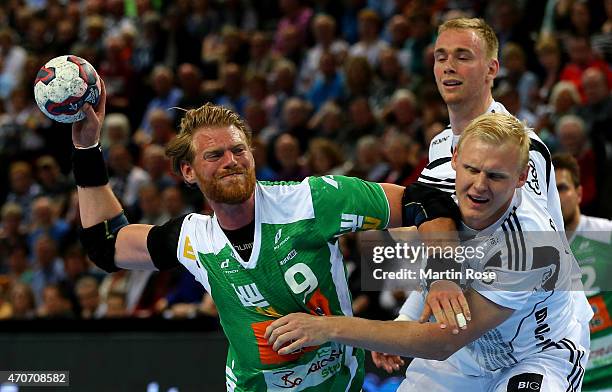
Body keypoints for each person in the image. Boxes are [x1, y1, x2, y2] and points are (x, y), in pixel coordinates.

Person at [71, 80, 461, 391]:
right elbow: (106, 245)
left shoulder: (310, 201)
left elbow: (424, 201)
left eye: (238, 150)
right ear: (188, 172)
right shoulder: (193, 238)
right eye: (214, 155)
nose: (231, 161)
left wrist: (441, 276)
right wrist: (87, 146)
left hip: (340, 384)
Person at [266, 113, 590, 392]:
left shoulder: (532, 244)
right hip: (467, 356)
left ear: (521, 178)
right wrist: (406, 318)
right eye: (472, 169)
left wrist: (327, 327)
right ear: (454, 160)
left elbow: (441, 341)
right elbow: (436, 282)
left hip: (536, 353)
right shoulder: (436, 199)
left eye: (495, 176)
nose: (479, 185)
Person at [392, 17, 591, 359]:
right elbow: (443, 240)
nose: (448, 67)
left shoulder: (523, 148)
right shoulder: (440, 145)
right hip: (481, 331)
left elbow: (525, 251)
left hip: (539, 331)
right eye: (441, 57)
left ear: (491, 68)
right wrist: (407, 315)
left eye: (463, 56)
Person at [553, 153, 612, 390]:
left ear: (579, 193)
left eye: (562, 188)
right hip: (570, 378)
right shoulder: (531, 250)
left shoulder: (606, 235)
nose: (555, 198)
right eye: (550, 191)